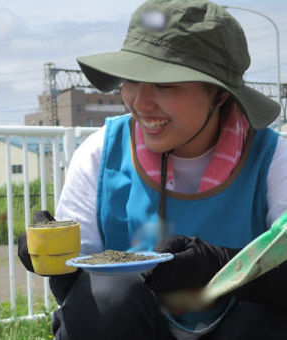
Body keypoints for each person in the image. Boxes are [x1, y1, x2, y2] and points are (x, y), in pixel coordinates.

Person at [18, 0, 287, 339]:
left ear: (219, 95)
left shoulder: (272, 157)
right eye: (130, 80)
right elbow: (82, 298)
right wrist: (52, 257)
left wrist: (219, 264)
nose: (139, 102)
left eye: (165, 84)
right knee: (107, 297)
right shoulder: (101, 154)